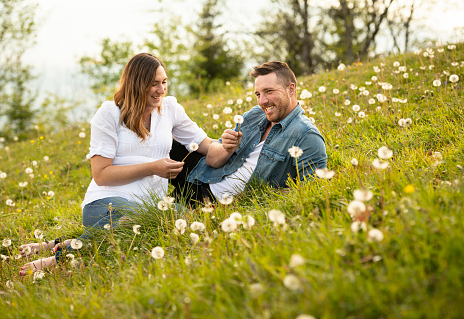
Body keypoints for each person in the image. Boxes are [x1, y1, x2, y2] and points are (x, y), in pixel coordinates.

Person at [19, 53, 213, 276]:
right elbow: (101, 174)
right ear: (136, 84)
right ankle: (58, 258)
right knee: (139, 220)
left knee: (183, 216)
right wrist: (152, 168)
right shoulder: (109, 113)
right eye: (154, 84)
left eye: (164, 82)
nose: (161, 90)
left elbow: (207, 145)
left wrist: (230, 143)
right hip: (105, 203)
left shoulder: (170, 109)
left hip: (150, 205)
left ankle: (68, 241)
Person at [171, 61, 327, 203]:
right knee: (161, 140)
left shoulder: (306, 135)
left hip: (211, 201)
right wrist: (226, 148)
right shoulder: (255, 115)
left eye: (269, 91)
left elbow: (312, 190)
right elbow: (211, 160)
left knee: (158, 217)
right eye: (258, 94)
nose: (262, 101)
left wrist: (258, 196)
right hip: (202, 173)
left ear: (291, 89)